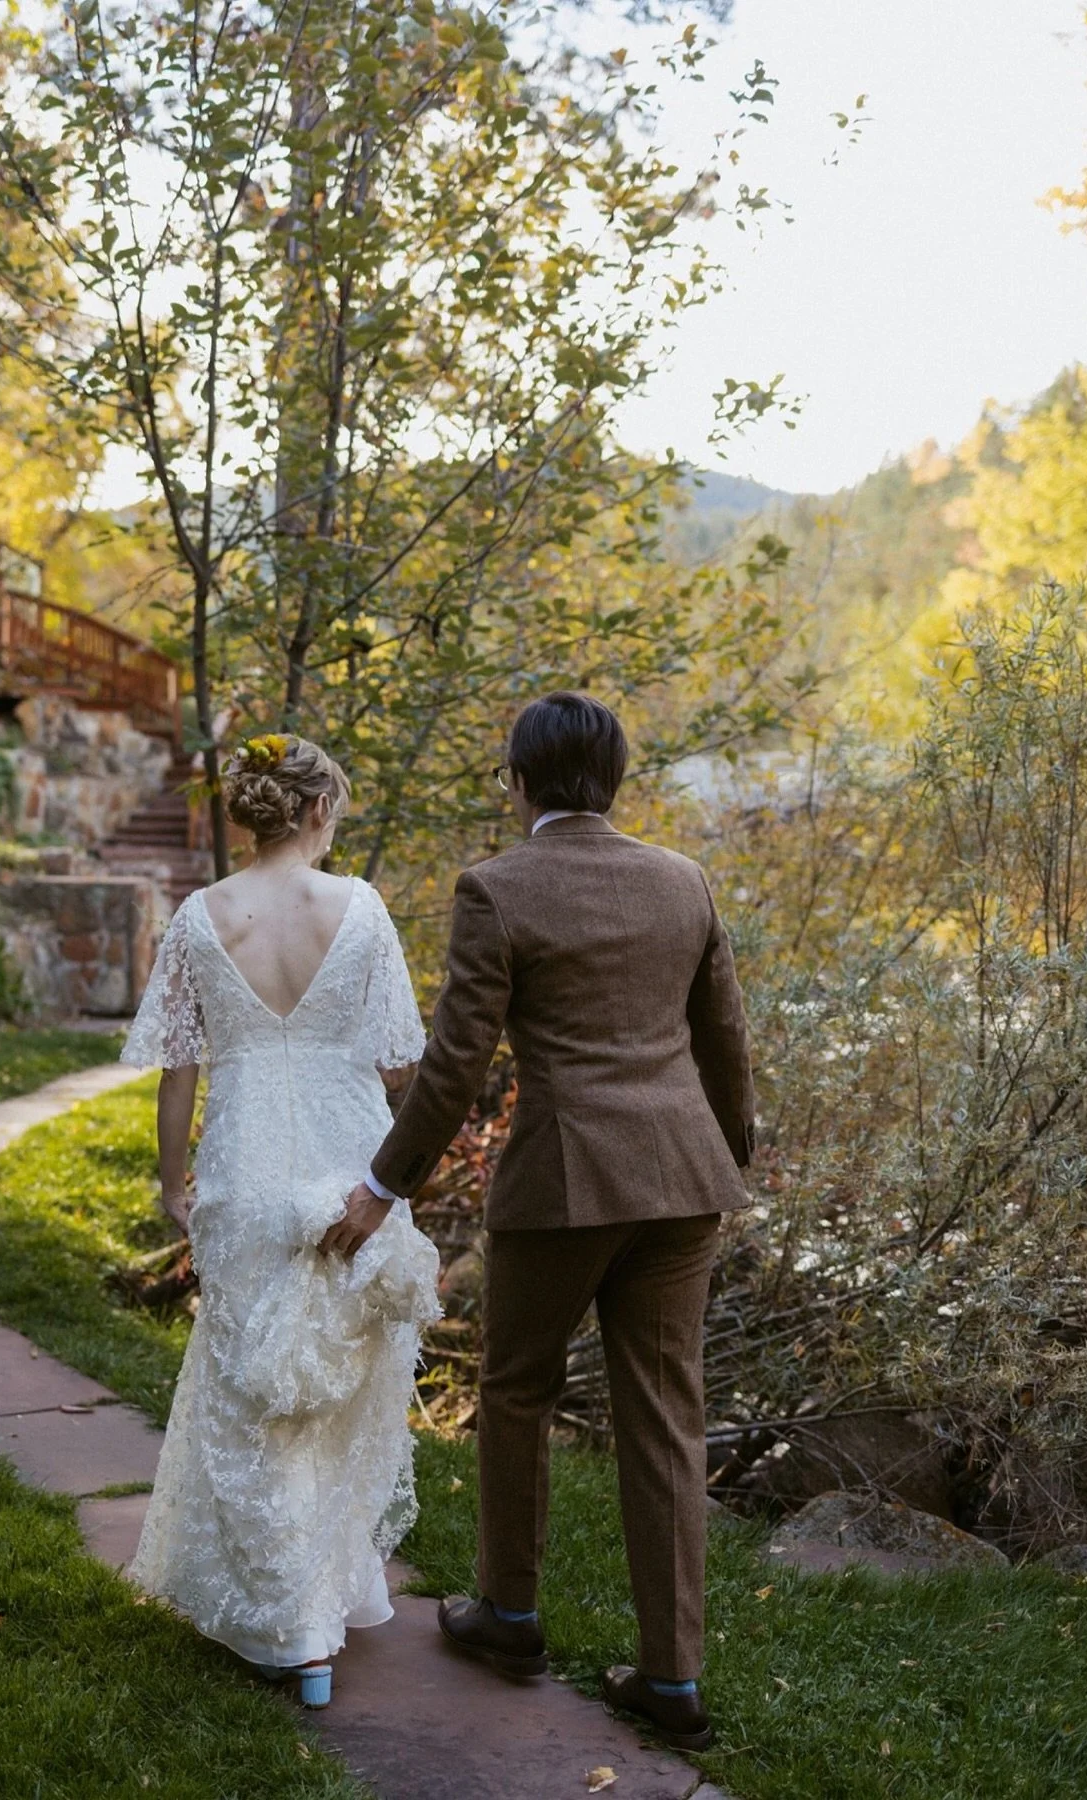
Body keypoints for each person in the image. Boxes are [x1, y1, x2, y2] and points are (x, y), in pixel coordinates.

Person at [335, 692, 755, 1751]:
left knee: (517, 1386)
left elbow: (454, 1068)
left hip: (567, 1181)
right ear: (612, 780)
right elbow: (725, 1042)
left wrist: (385, 1186)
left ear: (517, 781)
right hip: (683, 1182)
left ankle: (510, 1615)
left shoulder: (499, 888)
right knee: (665, 1418)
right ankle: (672, 1679)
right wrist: (727, 1151)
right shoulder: (683, 881)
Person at [120, 733, 439, 1710]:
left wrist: (174, 1185)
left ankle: (291, 1620)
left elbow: (181, 1070)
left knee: (253, 1392)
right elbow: (400, 1062)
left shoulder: (199, 917)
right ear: (313, 813)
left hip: (247, 1167)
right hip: (351, 1166)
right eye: (333, 811)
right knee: (339, 1385)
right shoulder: (364, 909)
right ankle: (309, 1622)